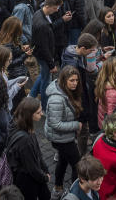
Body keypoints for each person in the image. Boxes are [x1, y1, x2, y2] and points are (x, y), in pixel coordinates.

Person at [46, 66, 83, 195]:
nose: (75, 83)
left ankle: (58, 187)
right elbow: (55, 123)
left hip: (64, 136)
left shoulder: (66, 91)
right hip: (61, 137)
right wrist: (76, 125)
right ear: (64, 80)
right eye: (71, 80)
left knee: (63, 160)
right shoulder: (56, 99)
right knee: (77, 165)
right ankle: (76, 192)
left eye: (76, 80)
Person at [6, 97, 51, 200]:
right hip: (27, 180)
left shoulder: (19, 124)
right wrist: (44, 177)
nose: (42, 114)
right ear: (30, 115)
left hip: (32, 174)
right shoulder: (25, 140)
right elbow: (31, 167)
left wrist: (45, 169)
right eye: (38, 112)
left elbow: (37, 154)